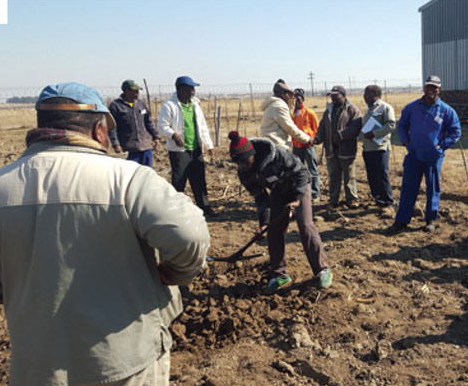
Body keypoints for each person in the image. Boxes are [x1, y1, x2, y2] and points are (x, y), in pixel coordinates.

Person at [0, 82, 210, 386]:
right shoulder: (127, 178)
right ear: (99, 130)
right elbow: (190, 234)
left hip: (39, 364)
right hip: (123, 358)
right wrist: (177, 272)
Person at [228, 131, 332, 293]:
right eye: (238, 163)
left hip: (299, 186)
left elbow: (302, 174)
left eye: (244, 161)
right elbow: (261, 199)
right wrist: (264, 224)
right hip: (278, 191)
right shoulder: (245, 173)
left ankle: (322, 269)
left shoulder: (278, 156)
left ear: (252, 154)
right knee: (273, 231)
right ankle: (279, 274)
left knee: (305, 224)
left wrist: (297, 200)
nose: (243, 165)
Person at [386, 75, 461, 234]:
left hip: (434, 157)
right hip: (414, 155)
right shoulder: (411, 108)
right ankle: (401, 221)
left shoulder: (446, 110)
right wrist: (407, 142)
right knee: (408, 188)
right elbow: (402, 126)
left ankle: (431, 219)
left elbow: (455, 132)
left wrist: (441, 146)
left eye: (434, 87)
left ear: (439, 90)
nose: (431, 90)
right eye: (428, 86)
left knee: (433, 188)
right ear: (424, 88)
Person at [157, 75, 216, 216]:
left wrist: (209, 145)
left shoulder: (195, 105)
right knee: (179, 180)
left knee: (199, 180)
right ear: (180, 89)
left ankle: (204, 208)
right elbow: (161, 126)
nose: (193, 91)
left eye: (193, 88)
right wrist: (173, 135)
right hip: (179, 150)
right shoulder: (169, 105)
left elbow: (202, 127)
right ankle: (175, 210)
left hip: (195, 148)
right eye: (190, 88)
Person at [313, 85, 363, 209]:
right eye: (332, 97)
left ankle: (352, 199)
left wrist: (341, 135)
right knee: (334, 176)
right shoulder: (329, 111)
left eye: (336, 97)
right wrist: (318, 138)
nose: (333, 100)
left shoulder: (352, 110)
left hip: (347, 149)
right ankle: (333, 200)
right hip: (331, 149)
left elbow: (356, 127)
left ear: (344, 96)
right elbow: (322, 127)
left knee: (349, 176)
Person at [358, 85, 396, 216]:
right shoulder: (369, 110)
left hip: (380, 148)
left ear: (375, 94)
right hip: (368, 148)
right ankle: (379, 201)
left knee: (381, 175)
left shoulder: (385, 107)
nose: (364, 96)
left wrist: (374, 134)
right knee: (372, 176)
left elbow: (391, 125)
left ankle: (388, 203)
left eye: (366, 93)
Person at [108, 79, 161, 166]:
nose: (137, 93)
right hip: (129, 149)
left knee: (147, 173)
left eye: (137, 90)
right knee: (131, 175)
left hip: (146, 147)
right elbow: (112, 128)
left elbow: (148, 122)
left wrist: (156, 136)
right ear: (126, 91)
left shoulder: (141, 104)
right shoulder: (116, 106)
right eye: (134, 91)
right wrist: (116, 144)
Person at [259, 81, 312, 149]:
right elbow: (289, 127)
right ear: (281, 93)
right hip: (277, 145)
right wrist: (307, 139)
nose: (288, 96)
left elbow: (290, 114)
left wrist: (291, 102)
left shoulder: (273, 104)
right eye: (287, 93)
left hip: (270, 144)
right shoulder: (279, 106)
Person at [292, 87, 320, 201]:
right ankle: (301, 192)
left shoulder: (310, 113)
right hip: (296, 147)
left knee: (312, 170)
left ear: (303, 99)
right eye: (295, 99)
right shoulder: (291, 114)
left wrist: (312, 139)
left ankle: (315, 193)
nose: (297, 101)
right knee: (297, 170)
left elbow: (316, 129)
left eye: (299, 98)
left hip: (308, 146)